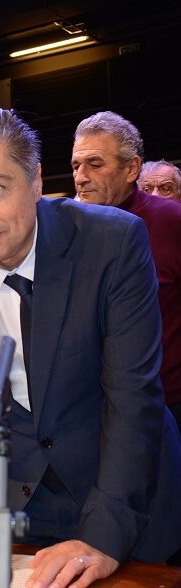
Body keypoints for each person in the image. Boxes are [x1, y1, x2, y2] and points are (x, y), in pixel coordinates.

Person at [0, 105, 181, 588]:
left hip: (127, 499)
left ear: (35, 181)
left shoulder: (112, 242)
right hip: (18, 506)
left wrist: (101, 536)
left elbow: (132, 398)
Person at [72, 111, 181, 431]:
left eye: (94, 164)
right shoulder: (61, 228)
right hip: (89, 411)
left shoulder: (172, 221)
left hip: (166, 407)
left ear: (132, 168)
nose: (81, 177)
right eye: (76, 166)